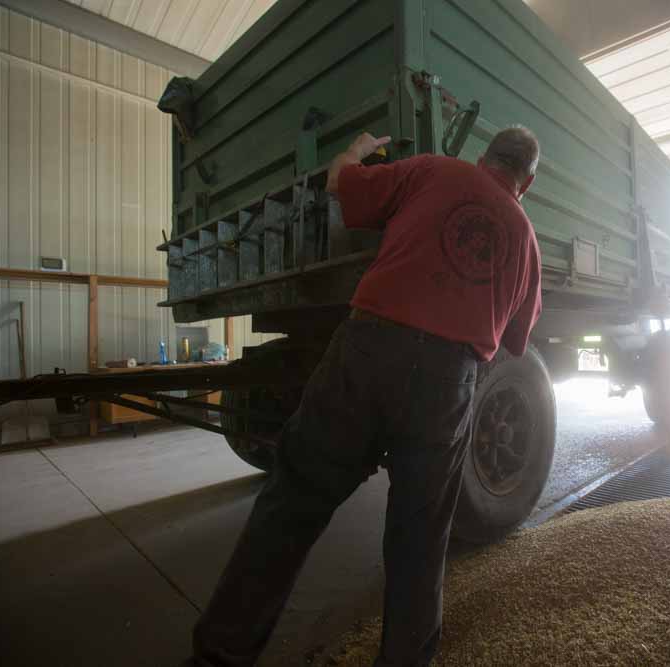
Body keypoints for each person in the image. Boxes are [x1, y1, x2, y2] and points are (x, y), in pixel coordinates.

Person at [187, 126, 543, 666]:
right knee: (421, 539)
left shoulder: (432, 170)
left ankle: (217, 658)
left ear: (483, 157)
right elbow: (515, 342)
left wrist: (355, 151)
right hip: (448, 380)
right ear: (527, 182)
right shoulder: (525, 237)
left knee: (292, 504)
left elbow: (343, 186)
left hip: (368, 349)